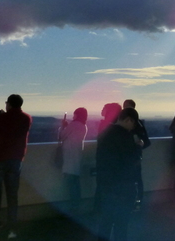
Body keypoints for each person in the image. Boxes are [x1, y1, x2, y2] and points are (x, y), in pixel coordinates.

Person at [0, 94, 32, 240]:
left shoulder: (1, 119)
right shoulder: (27, 118)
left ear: (9, 104)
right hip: (16, 159)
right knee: (12, 196)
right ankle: (12, 230)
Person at [96, 107, 141, 241]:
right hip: (123, 186)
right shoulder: (125, 136)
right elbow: (130, 160)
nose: (132, 127)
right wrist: (138, 147)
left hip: (106, 184)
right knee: (121, 223)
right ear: (128, 120)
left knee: (106, 221)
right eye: (133, 123)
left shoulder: (105, 133)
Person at [59, 107, 88, 211]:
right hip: (77, 157)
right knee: (76, 183)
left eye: (74, 114)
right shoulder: (84, 126)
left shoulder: (73, 125)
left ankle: (74, 206)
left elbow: (61, 136)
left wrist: (63, 126)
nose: (73, 116)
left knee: (71, 184)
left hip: (69, 157)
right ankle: (77, 205)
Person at [123, 99, 151, 209]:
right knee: (136, 179)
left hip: (133, 156)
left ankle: (136, 201)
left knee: (135, 179)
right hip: (135, 156)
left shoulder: (135, 124)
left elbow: (145, 141)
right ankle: (136, 201)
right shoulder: (138, 123)